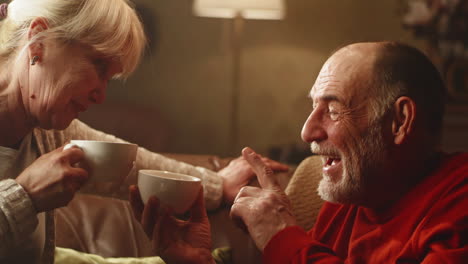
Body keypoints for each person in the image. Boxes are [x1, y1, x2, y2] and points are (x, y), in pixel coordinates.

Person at [0, 0, 289, 263]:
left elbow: (131, 166)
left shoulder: (45, 131)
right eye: (98, 66)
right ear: (39, 42)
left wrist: (216, 185)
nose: (100, 95)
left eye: (109, 80)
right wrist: (25, 196)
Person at [139, 41, 468, 263]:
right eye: (314, 107)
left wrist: (281, 236)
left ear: (399, 121)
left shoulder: (459, 202)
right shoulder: (353, 194)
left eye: (333, 109)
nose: (308, 131)